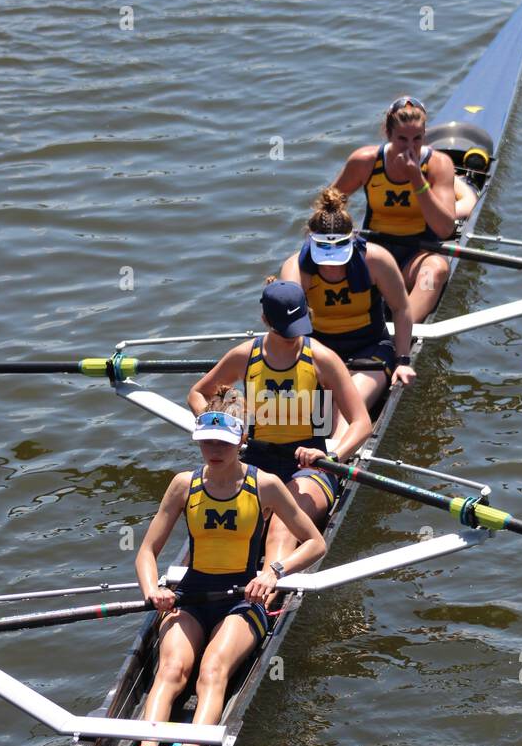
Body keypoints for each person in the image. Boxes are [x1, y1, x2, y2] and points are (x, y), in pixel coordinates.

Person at [130, 395, 325, 746]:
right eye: (206, 440)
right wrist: (153, 590)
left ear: (241, 441)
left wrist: (273, 572)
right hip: (191, 596)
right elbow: (146, 552)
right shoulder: (183, 485)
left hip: (242, 600)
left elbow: (316, 542)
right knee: (170, 669)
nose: (213, 450)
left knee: (213, 669)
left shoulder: (264, 485)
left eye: (221, 442)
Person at [187, 279, 371, 577]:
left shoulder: (322, 358)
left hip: (311, 466)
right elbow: (198, 393)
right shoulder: (245, 356)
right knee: (232, 528)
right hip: (257, 461)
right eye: (286, 331)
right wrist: (216, 422)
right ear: (265, 321)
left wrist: (334, 458)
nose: (293, 337)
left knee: (281, 528)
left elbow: (362, 423)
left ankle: (268, 591)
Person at [278, 185, 415, 441]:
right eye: (325, 257)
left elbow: (401, 308)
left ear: (352, 240)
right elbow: (287, 326)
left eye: (338, 256)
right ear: (310, 240)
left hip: (370, 348)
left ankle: (333, 463)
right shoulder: (296, 269)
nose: (331, 267)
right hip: (319, 351)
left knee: (348, 399)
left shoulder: (376, 260)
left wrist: (403, 360)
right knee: (292, 411)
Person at [331, 95, 478, 323]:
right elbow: (329, 204)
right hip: (375, 254)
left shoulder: (439, 165)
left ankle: (402, 331)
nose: (410, 148)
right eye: (402, 139)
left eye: (417, 139)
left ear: (425, 135)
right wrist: (339, 231)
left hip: (417, 255)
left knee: (436, 270)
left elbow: (444, 228)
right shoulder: (365, 161)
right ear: (387, 134)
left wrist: (417, 180)